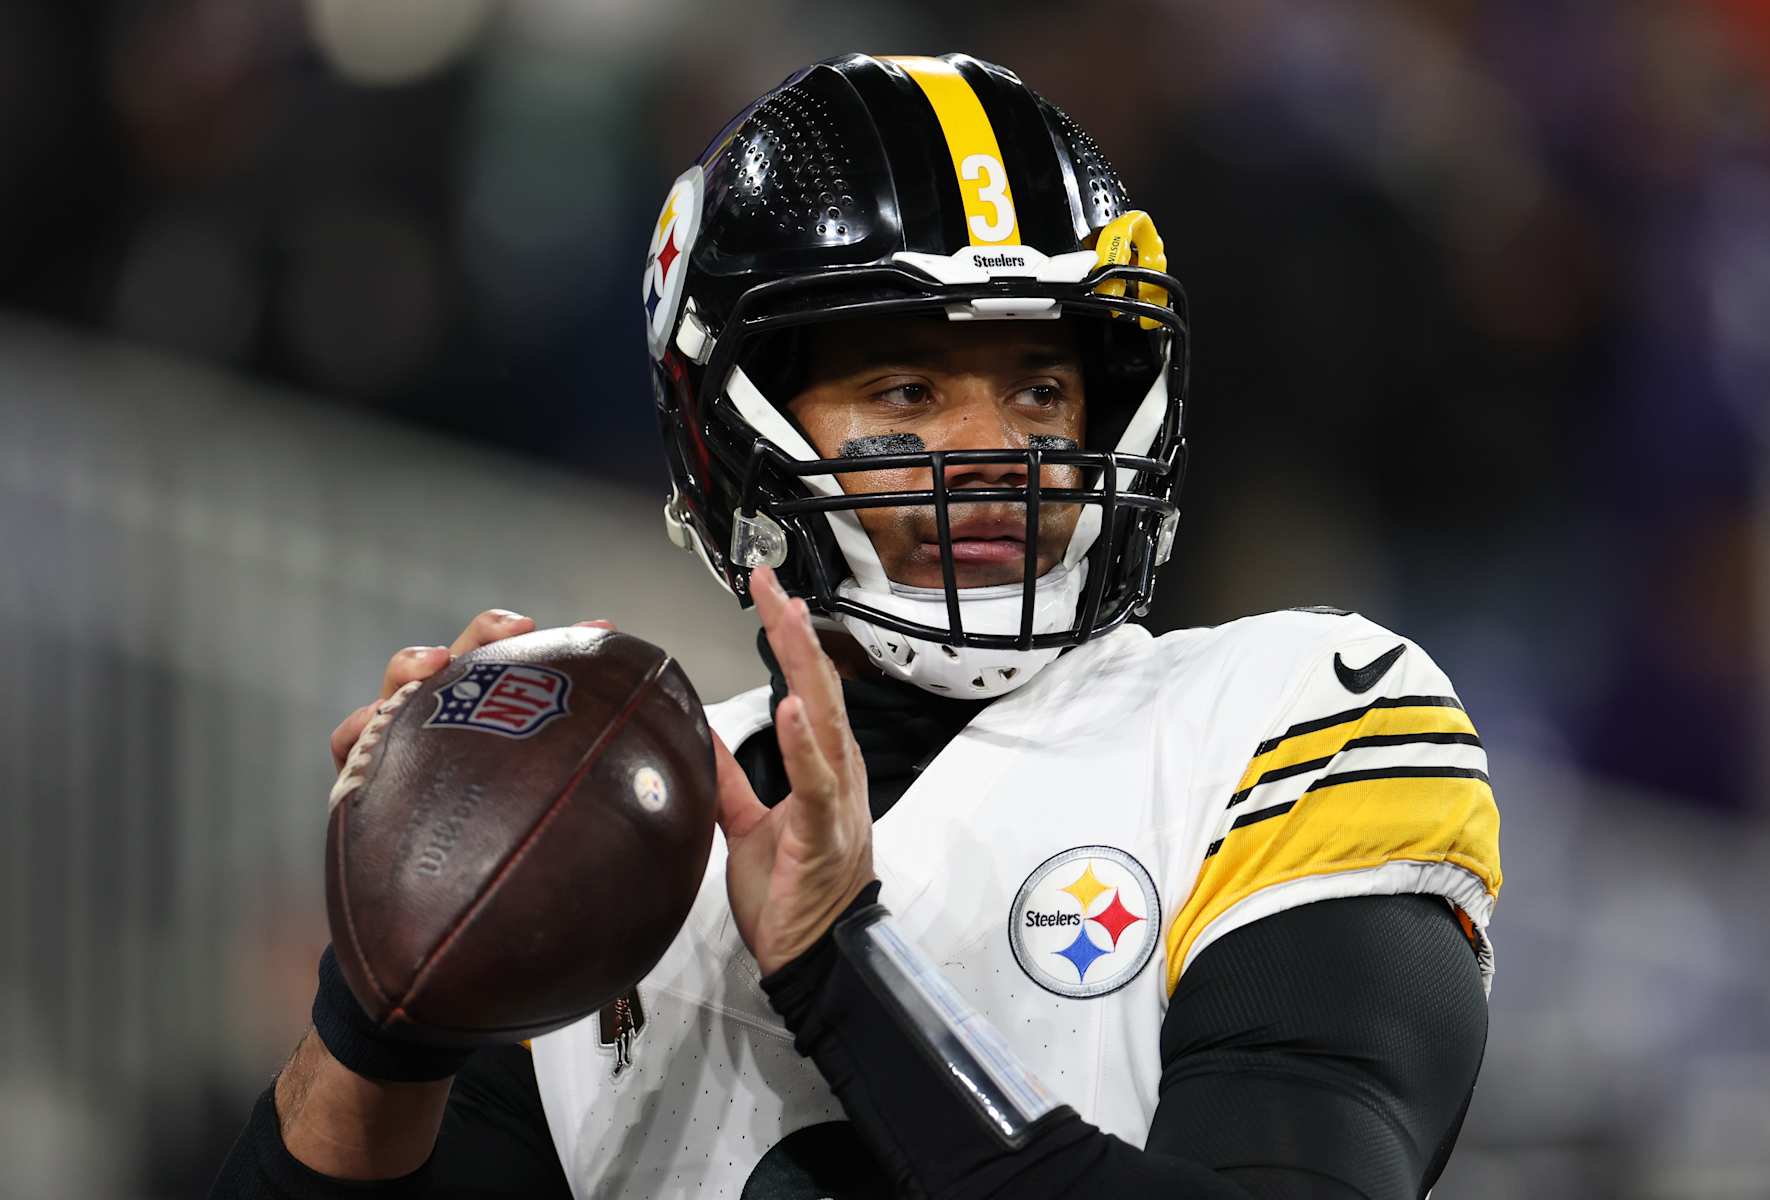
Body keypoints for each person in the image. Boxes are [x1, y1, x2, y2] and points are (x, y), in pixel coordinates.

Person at [213, 52, 1501, 1199]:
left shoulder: (1292, 721)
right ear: (733, 435)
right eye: (909, 387)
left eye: (1043, 387)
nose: (999, 450)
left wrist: (842, 970)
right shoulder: (616, 820)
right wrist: (387, 1004)